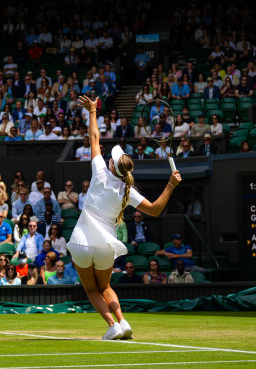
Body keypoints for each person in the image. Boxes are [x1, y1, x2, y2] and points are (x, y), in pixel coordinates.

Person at [66, 95, 181, 341]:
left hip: (83, 241)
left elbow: (94, 138)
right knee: (105, 286)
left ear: (111, 165)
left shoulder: (99, 172)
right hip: (107, 244)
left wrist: (93, 111)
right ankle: (123, 321)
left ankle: (112, 326)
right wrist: (170, 185)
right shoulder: (128, 192)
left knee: (91, 289)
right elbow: (155, 209)